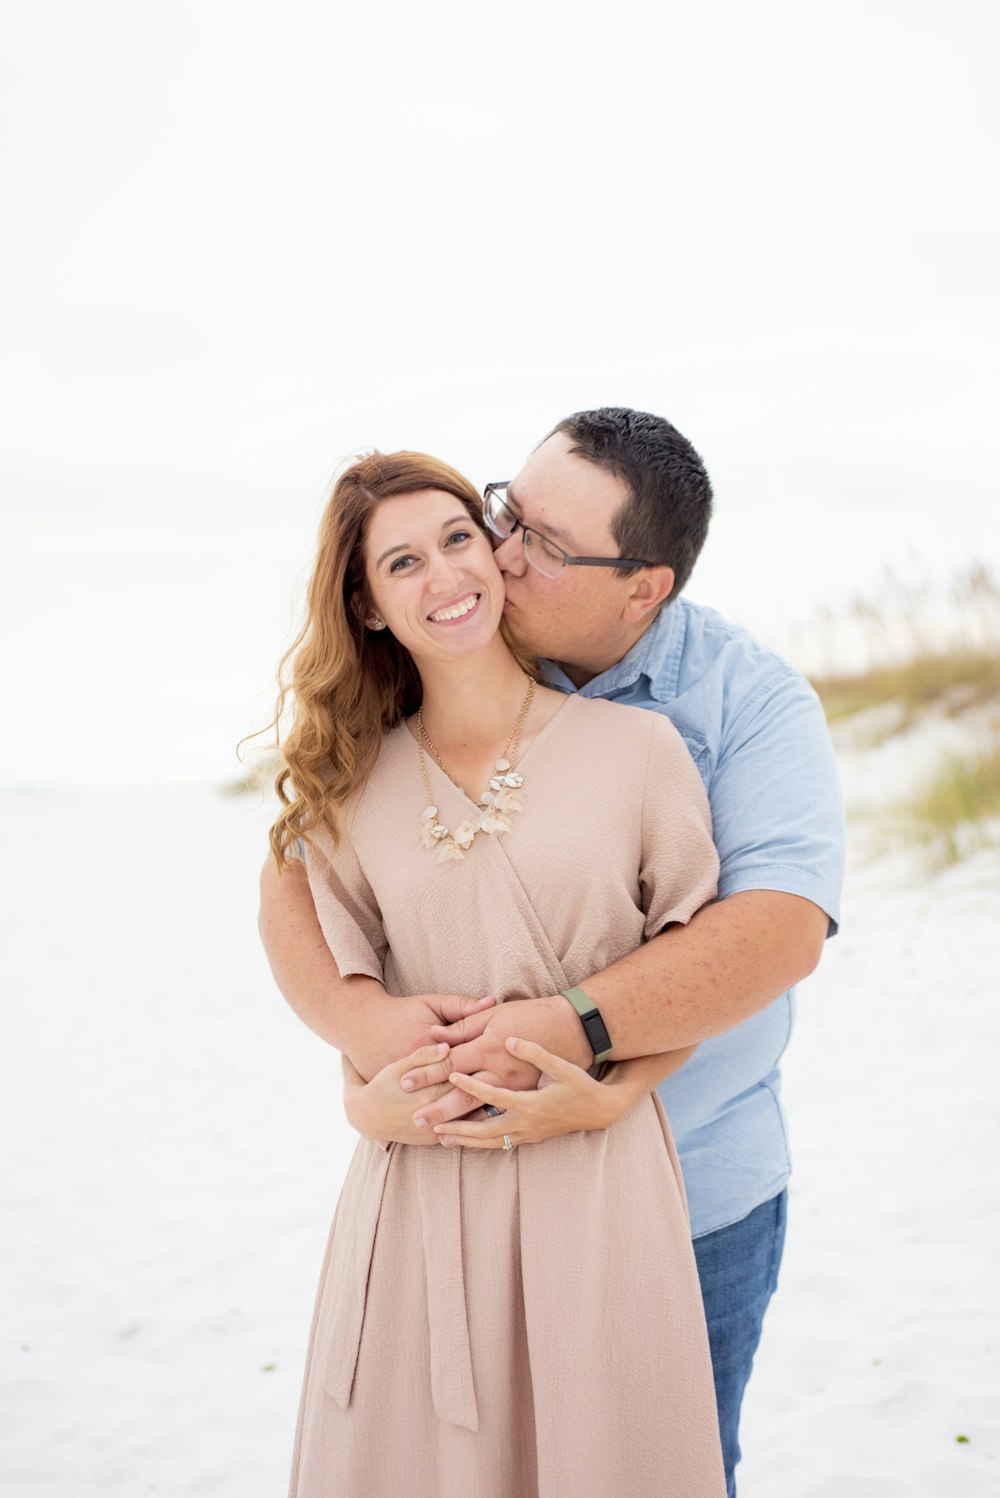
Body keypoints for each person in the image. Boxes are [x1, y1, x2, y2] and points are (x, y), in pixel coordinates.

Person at [260, 408, 845, 1496]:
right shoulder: (426, 671)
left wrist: (597, 1059)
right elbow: (302, 878)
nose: (499, 554)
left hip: (684, 1185)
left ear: (642, 589)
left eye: (543, 544)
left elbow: (771, 929)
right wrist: (359, 1047)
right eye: (505, 514)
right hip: (441, 1193)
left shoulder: (727, 709)